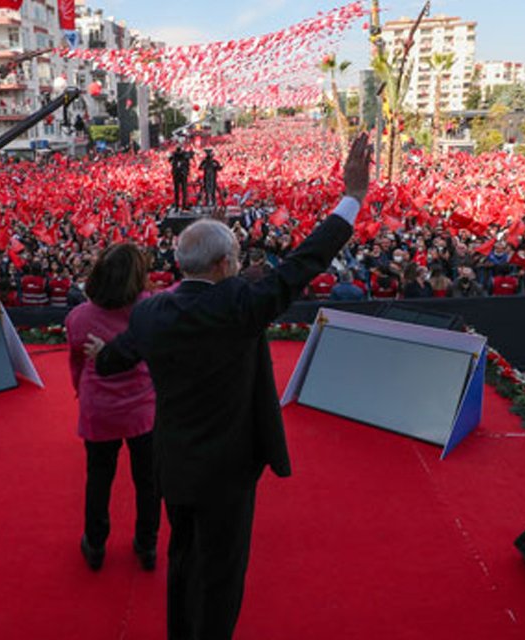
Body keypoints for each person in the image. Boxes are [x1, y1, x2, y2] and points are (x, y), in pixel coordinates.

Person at [85, 133, 372, 640]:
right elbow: (306, 262)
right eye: (236, 258)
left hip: (174, 463)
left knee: (182, 559)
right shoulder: (243, 306)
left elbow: (118, 358)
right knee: (221, 573)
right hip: (228, 470)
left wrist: (101, 357)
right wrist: (352, 196)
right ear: (223, 266)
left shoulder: (152, 311)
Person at [67, 243, 160, 572]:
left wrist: (84, 389)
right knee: (148, 481)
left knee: (99, 478)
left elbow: (76, 364)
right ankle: (147, 544)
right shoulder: (150, 309)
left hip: (100, 410)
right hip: (143, 410)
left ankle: (95, 544)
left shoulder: (78, 318)